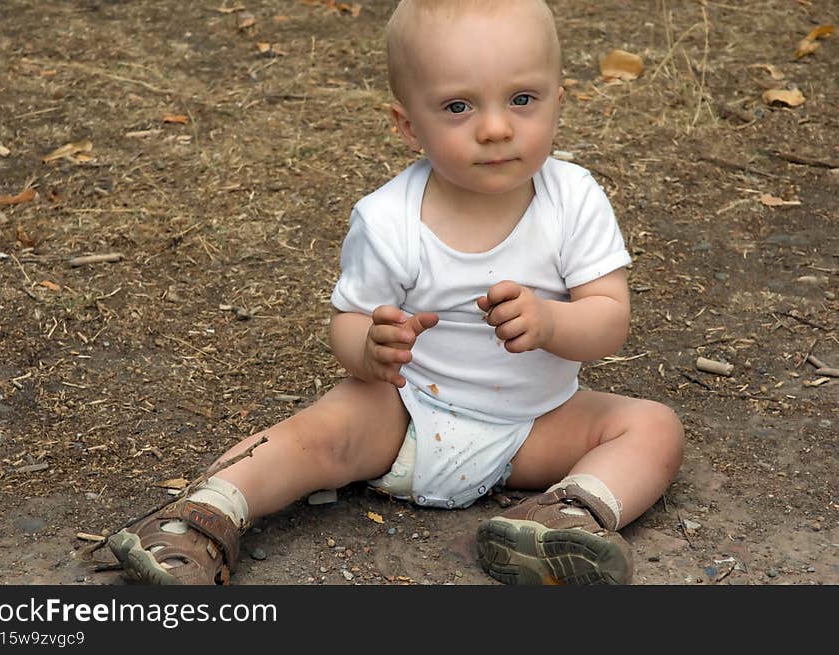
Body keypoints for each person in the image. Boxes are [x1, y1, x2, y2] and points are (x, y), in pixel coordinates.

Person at [108, 0, 684, 586]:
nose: (496, 127)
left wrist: (554, 323)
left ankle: (567, 517)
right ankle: (202, 521)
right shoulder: (388, 218)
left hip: (534, 428)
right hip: (405, 413)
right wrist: (371, 347)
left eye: (522, 99)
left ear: (559, 99)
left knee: (653, 427)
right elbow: (348, 322)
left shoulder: (573, 198)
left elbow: (610, 320)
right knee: (321, 431)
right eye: (458, 107)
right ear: (408, 125)